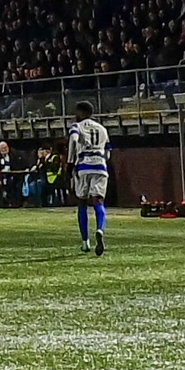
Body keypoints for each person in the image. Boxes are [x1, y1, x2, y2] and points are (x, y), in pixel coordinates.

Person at [68, 101, 111, 255]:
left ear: (81, 112)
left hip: (83, 166)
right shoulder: (102, 129)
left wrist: (69, 162)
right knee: (98, 201)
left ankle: (85, 242)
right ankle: (100, 228)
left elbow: (73, 140)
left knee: (82, 203)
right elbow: (108, 152)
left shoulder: (77, 126)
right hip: (100, 166)